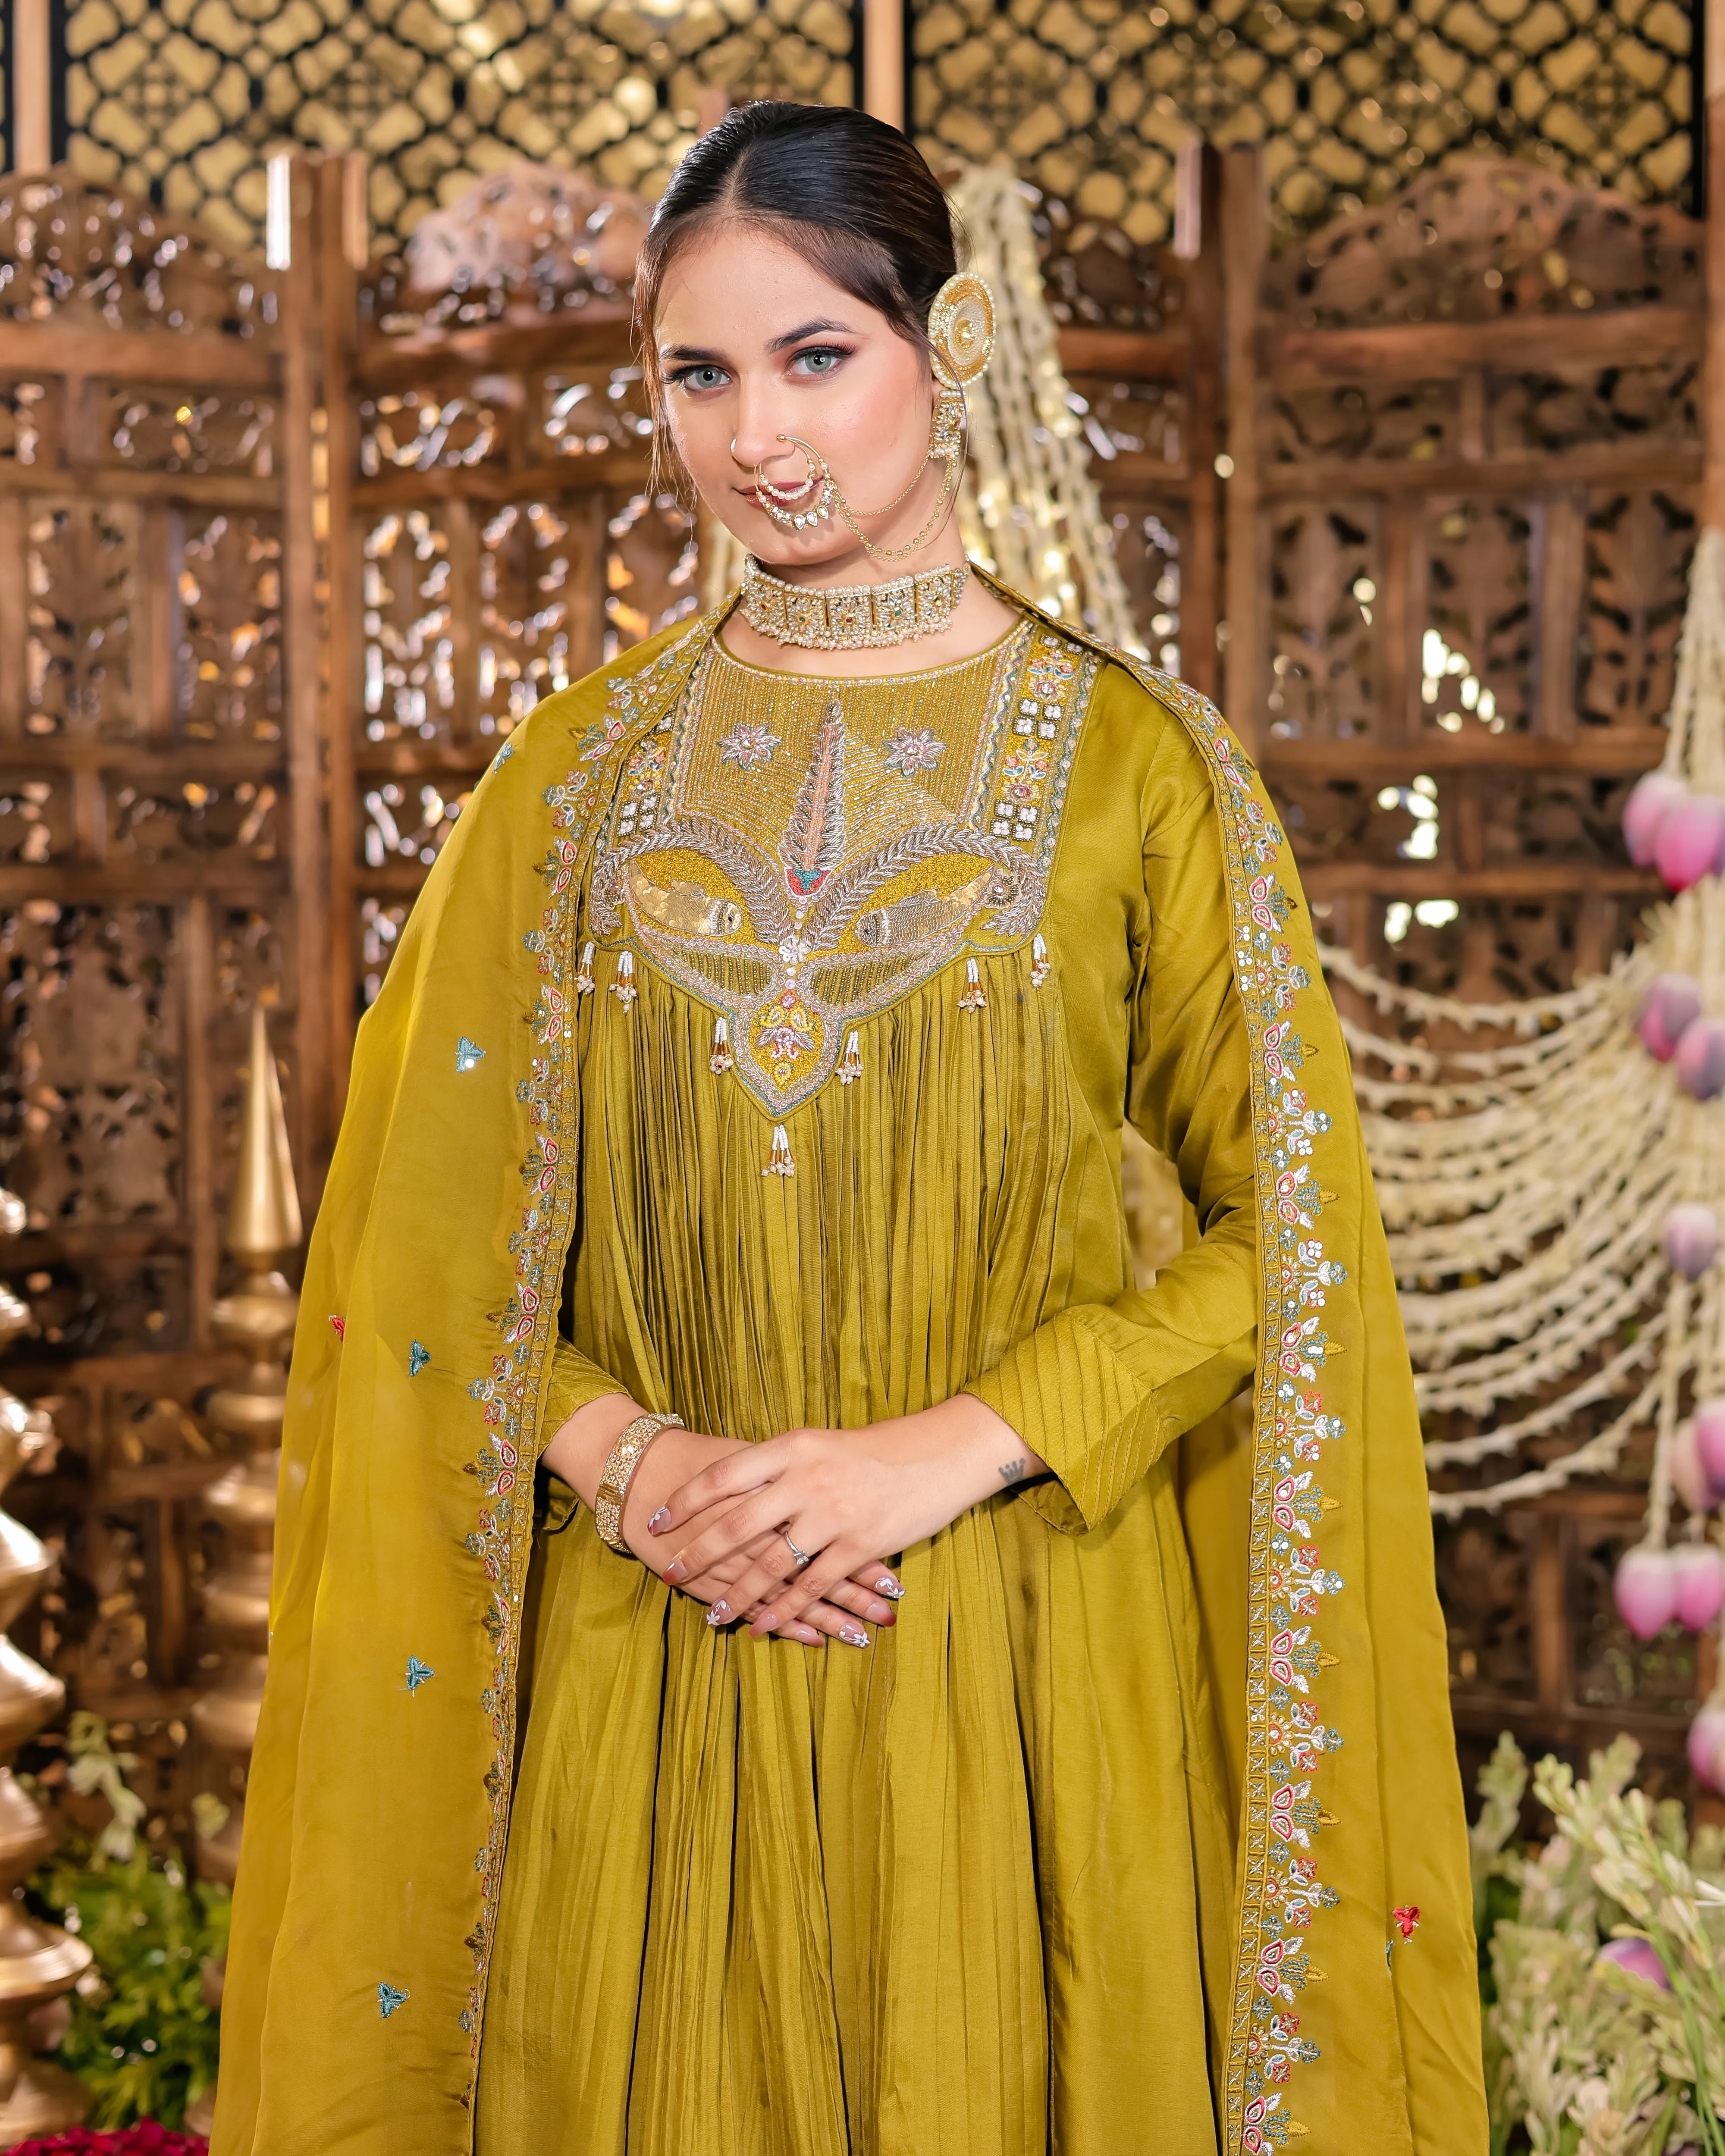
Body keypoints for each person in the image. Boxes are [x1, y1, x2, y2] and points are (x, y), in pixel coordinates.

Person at [213, 101, 1487, 2156]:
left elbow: (1296, 1246)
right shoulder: (574, 782)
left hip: (1010, 1651)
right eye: (695, 375)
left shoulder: (1137, 778)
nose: (756, 439)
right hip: (651, 1660)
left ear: (947, 347)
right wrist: (640, 1461)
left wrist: (939, 1449)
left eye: (818, 357)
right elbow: (416, 1270)